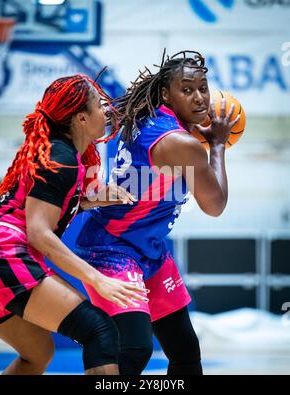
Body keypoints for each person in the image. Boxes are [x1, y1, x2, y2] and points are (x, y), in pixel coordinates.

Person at [75, 51, 240, 375]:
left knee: (186, 354)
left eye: (203, 88)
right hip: (111, 247)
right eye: (187, 89)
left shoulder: (142, 114)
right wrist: (217, 145)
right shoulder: (181, 142)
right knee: (134, 349)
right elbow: (215, 205)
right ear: (166, 93)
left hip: (148, 249)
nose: (200, 98)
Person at [0, 74, 148, 375]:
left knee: (37, 353)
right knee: (99, 331)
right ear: (81, 118)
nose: (108, 111)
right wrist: (95, 278)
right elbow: (38, 232)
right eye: (100, 105)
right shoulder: (62, 158)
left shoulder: (60, 153)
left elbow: (43, 205)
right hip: (3, 255)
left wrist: (92, 199)